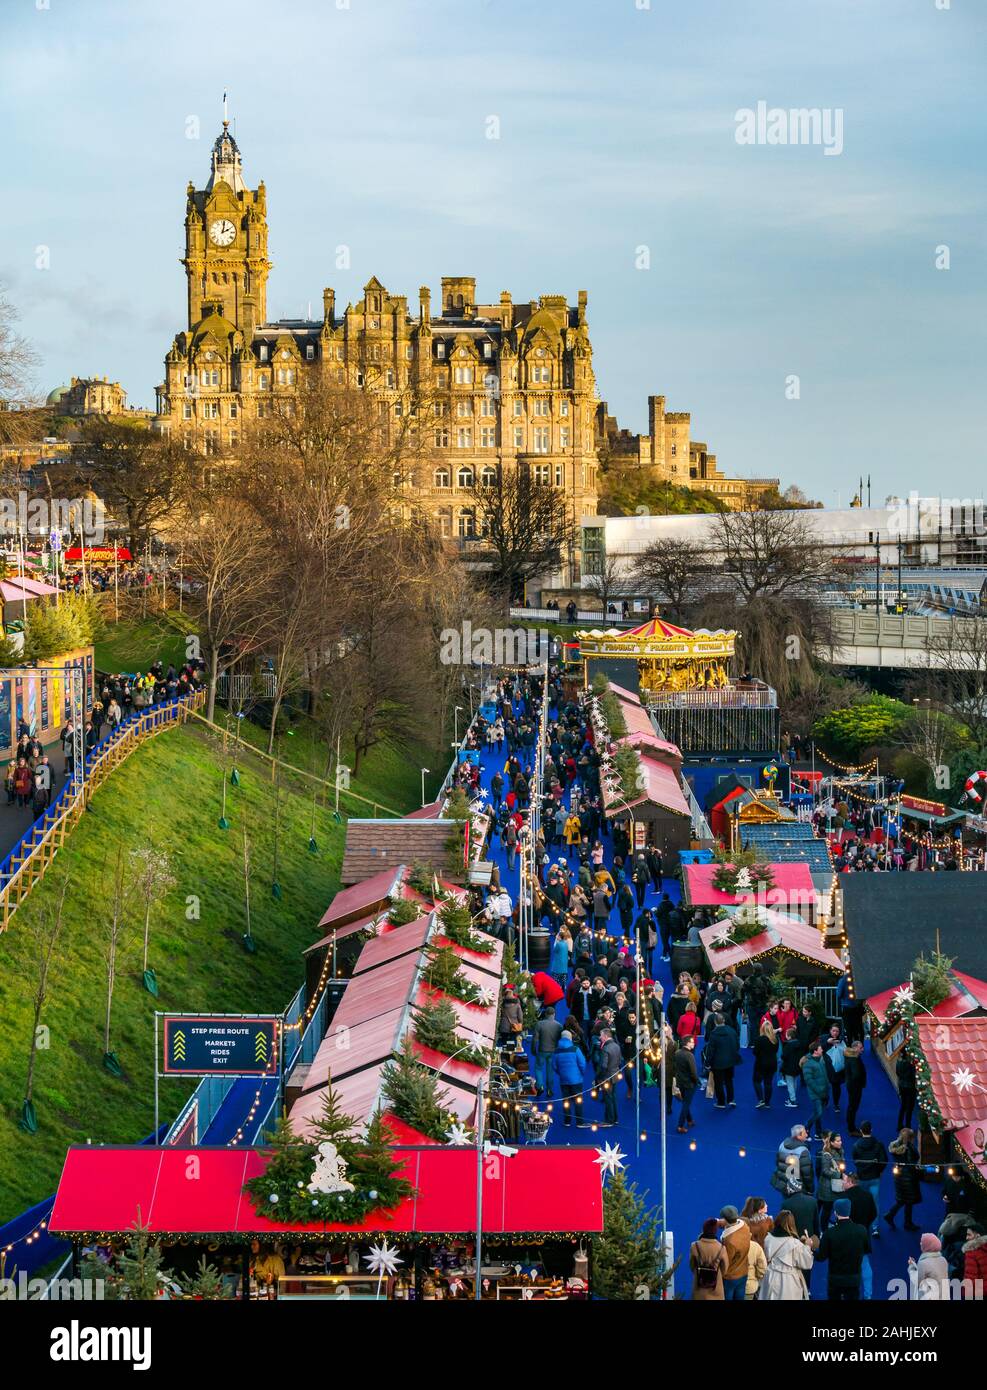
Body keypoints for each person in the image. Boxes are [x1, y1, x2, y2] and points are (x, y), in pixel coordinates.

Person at [815, 1197, 871, 1301]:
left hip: (835, 1280)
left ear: (835, 1213)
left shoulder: (829, 1233)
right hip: (853, 1280)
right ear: (849, 1211)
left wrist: (810, 1248)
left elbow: (821, 1257)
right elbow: (867, 1250)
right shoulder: (861, 1230)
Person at [851, 1122, 887, 1235]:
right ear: (871, 1130)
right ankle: (875, 1227)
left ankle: (861, 1225)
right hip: (874, 1177)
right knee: (875, 1203)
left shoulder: (856, 1145)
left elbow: (855, 1161)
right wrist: (879, 1171)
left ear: (861, 1131)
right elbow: (884, 1160)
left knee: (861, 1202)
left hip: (861, 1178)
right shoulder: (878, 1144)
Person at [883, 1128, 922, 1232]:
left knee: (902, 1200)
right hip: (908, 1177)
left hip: (899, 1175)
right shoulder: (908, 1149)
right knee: (908, 1201)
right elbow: (911, 1164)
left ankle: (892, 1216)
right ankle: (907, 1223)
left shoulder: (895, 1145)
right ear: (910, 1138)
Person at [706, 1012, 740, 1109]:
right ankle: (731, 1099)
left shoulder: (714, 1034)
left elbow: (711, 1051)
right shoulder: (732, 1031)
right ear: (724, 1021)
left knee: (718, 1083)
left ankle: (721, 1102)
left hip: (718, 1063)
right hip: (730, 1061)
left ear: (715, 1022)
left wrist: (708, 1063)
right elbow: (737, 1045)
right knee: (729, 1080)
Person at [554, 1029, 587, 1127]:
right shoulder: (575, 1049)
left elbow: (554, 1066)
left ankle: (567, 1121)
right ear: (570, 1038)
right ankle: (579, 1122)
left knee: (566, 1101)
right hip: (576, 1080)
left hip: (564, 1080)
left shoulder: (556, 1051)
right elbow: (582, 1063)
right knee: (578, 1100)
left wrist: (561, 1073)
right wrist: (581, 1073)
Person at [718, 1205, 751, 1301]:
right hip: (743, 1272)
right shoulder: (745, 1226)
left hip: (730, 1277)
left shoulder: (729, 1241)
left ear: (725, 1219)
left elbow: (725, 1262)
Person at [690, 1218, 728, 1301]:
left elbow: (692, 1266)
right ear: (715, 1231)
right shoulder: (721, 1248)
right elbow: (725, 1269)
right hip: (715, 1288)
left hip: (699, 1287)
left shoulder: (694, 1246)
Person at [772, 1125, 815, 1196]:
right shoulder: (803, 1151)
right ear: (799, 1135)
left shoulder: (782, 1144)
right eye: (805, 1133)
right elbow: (807, 1174)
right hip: (798, 1187)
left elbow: (778, 1163)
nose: (807, 1135)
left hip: (784, 1183)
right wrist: (810, 1189)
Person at [815, 1132, 846, 1230]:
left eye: (840, 1140)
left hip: (834, 1186)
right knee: (826, 1210)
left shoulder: (840, 1151)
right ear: (832, 1142)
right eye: (838, 1141)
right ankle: (823, 1229)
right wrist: (839, 1174)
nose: (840, 1142)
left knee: (824, 1209)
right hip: (827, 1187)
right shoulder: (826, 1154)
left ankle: (819, 1226)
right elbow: (825, 1171)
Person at [531, 1006, 562, 1098]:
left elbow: (535, 1039)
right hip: (553, 1051)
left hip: (542, 1050)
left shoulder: (539, 1024)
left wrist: (533, 1049)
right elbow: (560, 1041)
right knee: (550, 1071)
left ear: (545, 1014)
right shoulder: (559, 1026)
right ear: (554, 1014)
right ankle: (550, 1090)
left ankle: (540, 1086)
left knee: (538, 1068)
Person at [909, 1233, 951, 1300]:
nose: (920, 1243)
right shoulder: (943, 1260)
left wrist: (911, 1267)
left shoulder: (923, 1263)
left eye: (922, 1242)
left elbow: (917, 1282)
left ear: (927, 1246)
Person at [801, 1041, 830, 1138]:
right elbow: (809, 1080)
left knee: (818, 1112)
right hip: (816, 1093)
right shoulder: (808, 1064)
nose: (822, 1049)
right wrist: (819, 1090)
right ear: (815, 1051)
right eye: (820, 1048)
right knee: (818, 1112)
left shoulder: (820, 1059)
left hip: (824, 1091)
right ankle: (805, 1129)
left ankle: (818, 1132)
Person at [595, 1027, 622, 1127]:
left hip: (606, 1077)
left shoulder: (605, 1048)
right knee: (613, 1097)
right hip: (615, 1075)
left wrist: (598, 1078)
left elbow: (603, 1066)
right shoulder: (616, 1046)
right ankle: (615, 1118)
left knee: (608, 1099)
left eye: (601, 1036)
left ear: (605, 1036)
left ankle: (609, 1120)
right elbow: (620, 1061)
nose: (600, 1037)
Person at [674, 1037, 698, 1134]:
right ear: (687, 1043)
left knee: (685, 1102)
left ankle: (689, 1120)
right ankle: (680, 1126)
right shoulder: (690, 1055)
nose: (693, 1043)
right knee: (686, 1104)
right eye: (692, 1042)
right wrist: (696, 1081)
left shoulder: (677, 1053)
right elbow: (693, 1072)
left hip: (680, 1082)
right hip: (689, 1084)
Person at [753, 1020, 778, 1108]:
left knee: (756, 1081)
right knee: (768, 1083)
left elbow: (755, 1052)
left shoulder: (758, 1039)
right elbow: (776, 1051)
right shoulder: (775, 1039)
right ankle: (767, 1103)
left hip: (761, 1064)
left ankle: (761, 1099)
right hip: (772, 1063)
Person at [843, 1041, 867, 1135]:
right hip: (855, 1086)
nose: (862, 1049)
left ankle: (850, 1124)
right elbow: (856, 1074)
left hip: (852, 1085)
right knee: (853, 1106)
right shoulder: (854, 1059)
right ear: (855, 1048)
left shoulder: (851, 1057)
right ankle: (851, 1129)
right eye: (860, 1048)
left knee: (852, 1106)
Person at [895, 1052, 918, 1130]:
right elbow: (913, 1076)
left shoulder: (898, 1062)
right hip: (910, 1087)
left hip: (901, 1086)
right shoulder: (910, 1064)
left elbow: (897, 1073)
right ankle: (908, 1125)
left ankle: (899, 1124)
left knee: (903, 1106)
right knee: (910, 1108)